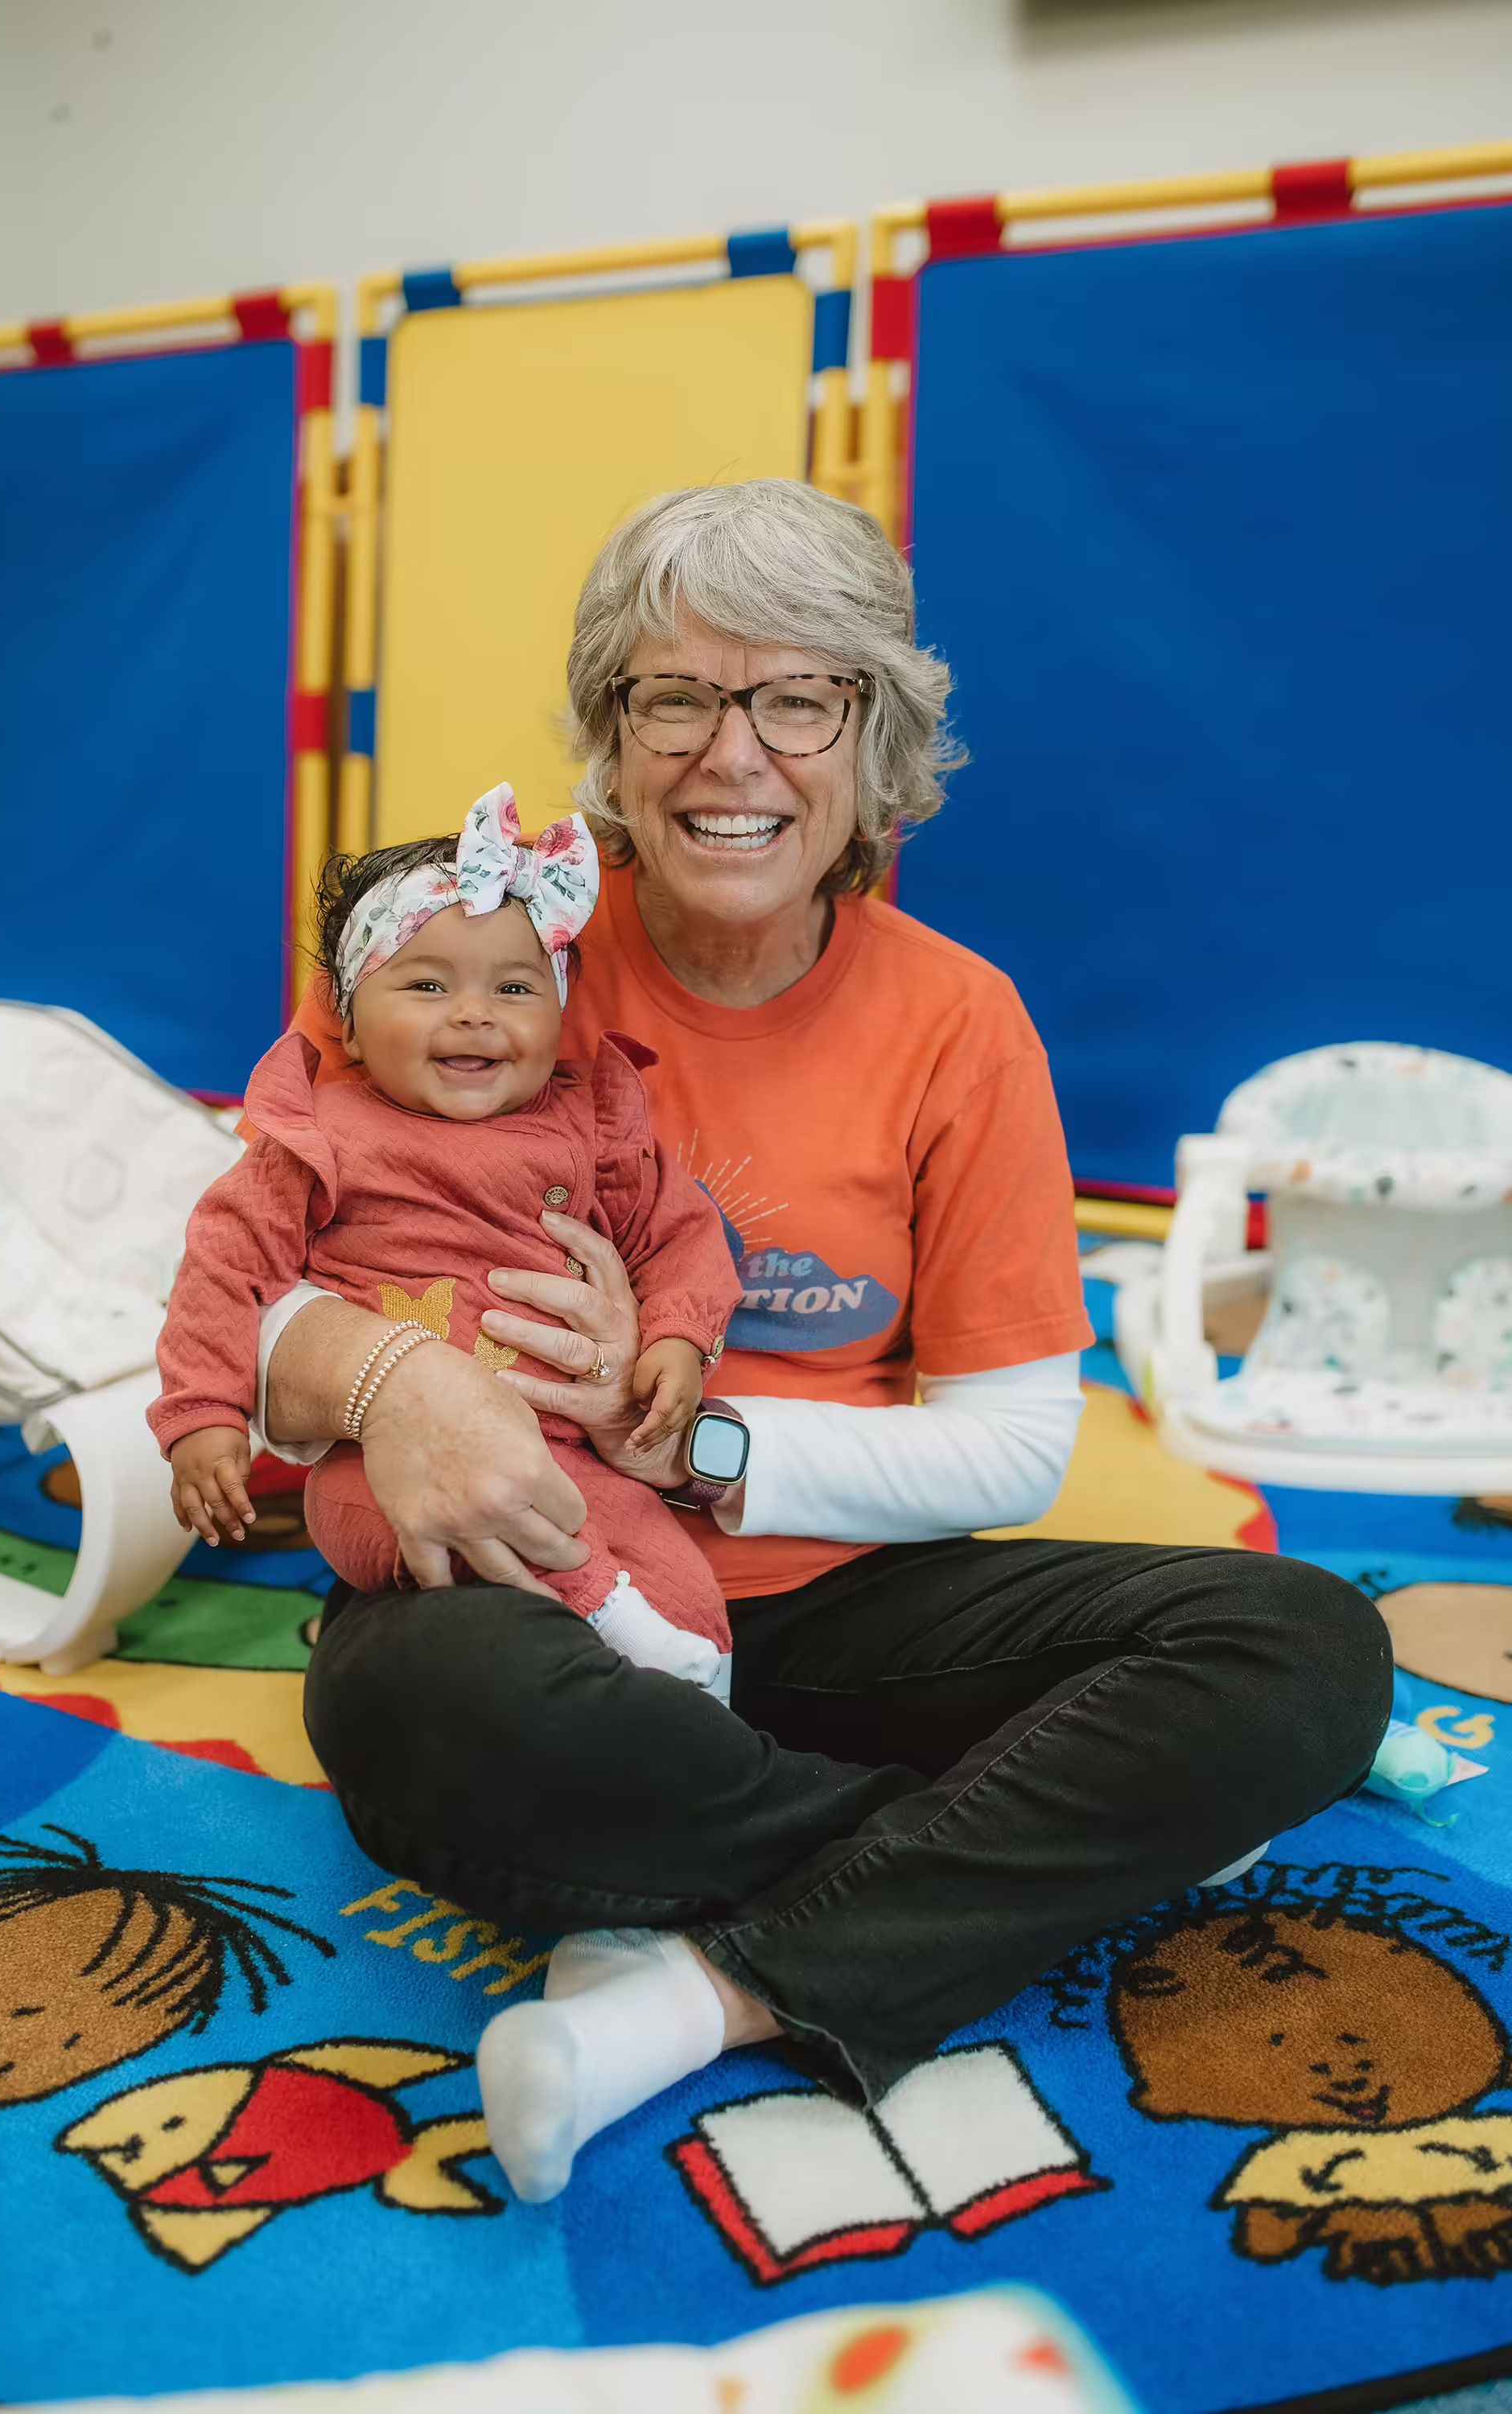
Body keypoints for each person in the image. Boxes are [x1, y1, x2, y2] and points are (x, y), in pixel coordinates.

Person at [257, 480, 1393, 2205]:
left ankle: (697, 1988)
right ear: (610, 735)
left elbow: (1013, 1447)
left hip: (850, 1594)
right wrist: (386, 1376)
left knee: (1305, 1651)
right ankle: (1027, 1838)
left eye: (798, 698)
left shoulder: (959, 1022)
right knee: (428, 1708)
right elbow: (232, 1284)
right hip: (535, 1581)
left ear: (874, 741)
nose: (734, 755)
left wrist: (692, 1445)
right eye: (677, 696)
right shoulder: (471, 957)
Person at [149, 784, 740, 1695]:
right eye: (426, 985)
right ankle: (599, 1608)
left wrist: (676, 1338)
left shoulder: (589, 1124)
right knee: (501, 1566)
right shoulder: (322, 1135)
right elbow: (226, 1269)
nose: (472, 1012)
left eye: (513, 988)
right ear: (346, 1016)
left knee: (687, 1592)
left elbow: (678, 1234)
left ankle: (699, 1714)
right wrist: (201, 1413)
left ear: (556, 1013)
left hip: (574, 1455)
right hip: (383, 1469)